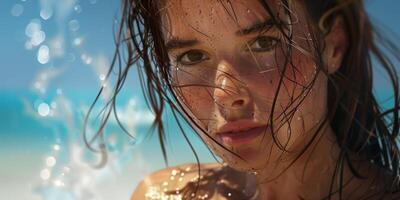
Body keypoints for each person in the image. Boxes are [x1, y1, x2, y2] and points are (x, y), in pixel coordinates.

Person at [84, 0, 400, 199]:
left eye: (263, 43)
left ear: (334, 46)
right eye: (192, 56)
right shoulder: (163, 195)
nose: (225, 95)